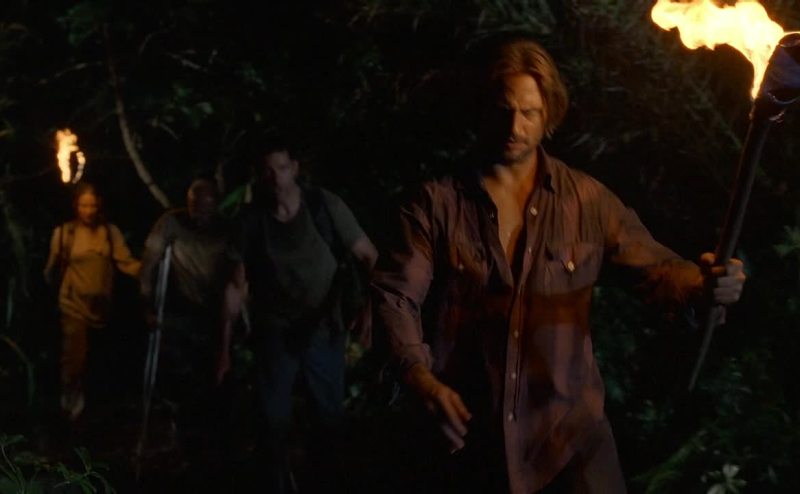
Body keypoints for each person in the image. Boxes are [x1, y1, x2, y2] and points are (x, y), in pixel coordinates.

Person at [371, 35, 747, 494]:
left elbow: (658, 269)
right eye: (503, 110)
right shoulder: (436, 205)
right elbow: (396, 296)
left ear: (548, 114)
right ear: (481, 109)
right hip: (471, 438)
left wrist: (703, 285)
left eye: (529, 112)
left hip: (570, 437)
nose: (514, 126)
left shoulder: (586, 201)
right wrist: (419, 379)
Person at [225, 138, 378, 493]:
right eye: (267, 171)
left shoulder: (323, 205)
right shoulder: (252, 220)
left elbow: (369, 257)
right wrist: (223, 349)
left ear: (294, 168)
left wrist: (371, 310)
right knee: (271, 419)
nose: (275, 178)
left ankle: (325, 481)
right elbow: (234, 286)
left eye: (281, 168)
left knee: (328, 418)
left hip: (323, 327)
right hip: (275, 331)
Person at [139, 178, 237, 456]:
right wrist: (146, 304)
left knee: (217, 373)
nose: (199, 216)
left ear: (215, 206)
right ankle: (183, 436)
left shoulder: (228, 229)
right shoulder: (172, 223)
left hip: (217, 310)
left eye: (205, 209)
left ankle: (216, 438)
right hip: (184, 308)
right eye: (195, 208)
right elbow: (149, 264)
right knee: (182, 373)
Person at [44, 182, 141, 421]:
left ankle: (96, 408)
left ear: (99, 206)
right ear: (76, 206)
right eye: (83, 205)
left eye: (92, 206)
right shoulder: (65, 233)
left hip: (101, 308)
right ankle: (70, 405)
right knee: (73, 357)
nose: (88, 211)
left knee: (98, 359)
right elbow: (51, 269)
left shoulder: (109, 232)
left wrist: (149, 269)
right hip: (72, 304)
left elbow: (126, 262)